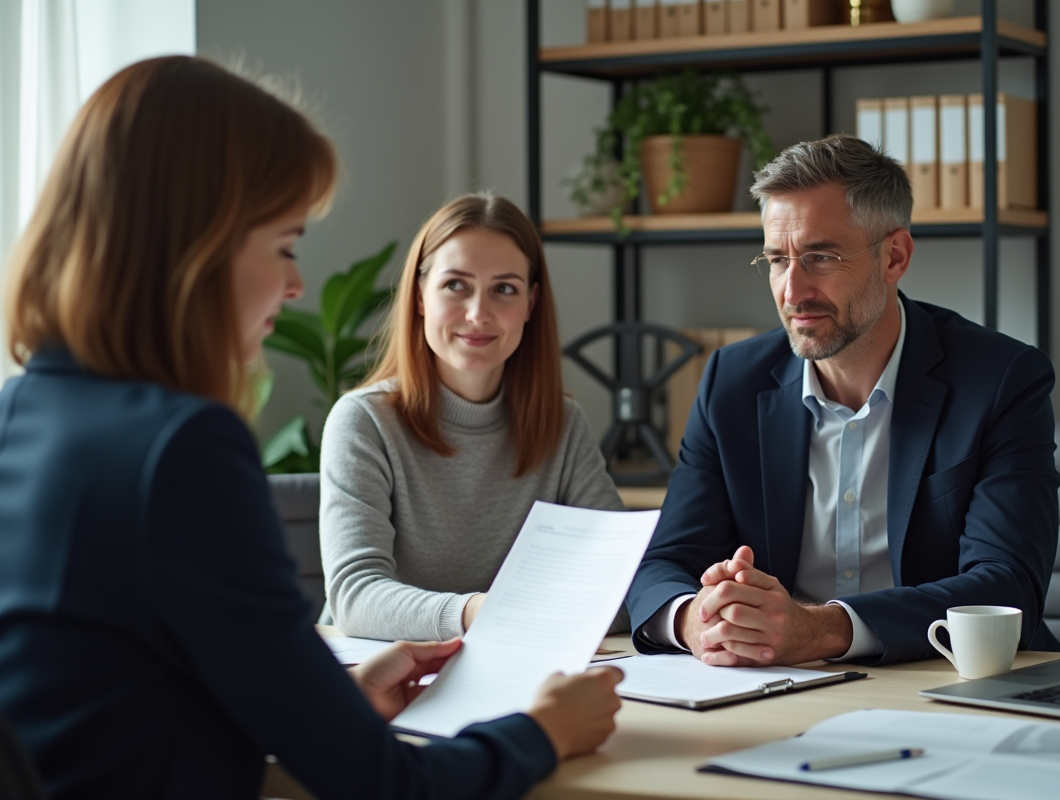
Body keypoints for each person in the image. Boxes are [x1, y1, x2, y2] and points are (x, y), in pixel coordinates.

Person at [0, 56, 622, 800]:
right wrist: (542, 732)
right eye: (285, 245)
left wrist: (334, 705)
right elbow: (388, 785)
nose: (295, 285)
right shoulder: (181, 450)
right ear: (193, 243)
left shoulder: (23, 411)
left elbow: (118, 706)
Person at [626, 134, 1060, 667]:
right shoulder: (731, 381)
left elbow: (1006, 587)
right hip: (778, 687)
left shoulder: (1000, 379)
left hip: (950, 684)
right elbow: (665, 561)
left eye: (821, 257)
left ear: (895, 256)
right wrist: (696, 617)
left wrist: (821, 630)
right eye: (778, 260)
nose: (793, 291)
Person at [319, 192, 626, 642]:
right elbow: (355, 599)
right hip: (378, 684)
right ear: (420, 295)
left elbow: (616, 582)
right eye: (455, 285)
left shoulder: (562, 424)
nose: (478, 314)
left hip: (511, 670)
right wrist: (480, 612)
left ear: (530, 303)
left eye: (504, 289)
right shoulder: (363, 421)